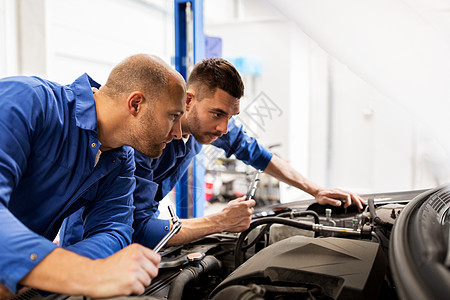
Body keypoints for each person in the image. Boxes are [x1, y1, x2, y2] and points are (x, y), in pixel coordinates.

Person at [61, 58, 365, 250]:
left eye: (230, 117)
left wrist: (315, 189)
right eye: (218, 113)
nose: (224, 127)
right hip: (90, 245)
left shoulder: (206, 127)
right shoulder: (140, 143)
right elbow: (136, 230)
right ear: (189, 100)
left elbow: (259, 155)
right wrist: (219, 222)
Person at [0, 54, 186, 299]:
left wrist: (43, 275)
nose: (178, 133)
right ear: (136, 104)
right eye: (173, 116)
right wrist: (78, 271)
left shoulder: (120, 160)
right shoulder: (27, 101)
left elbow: (114, 231)